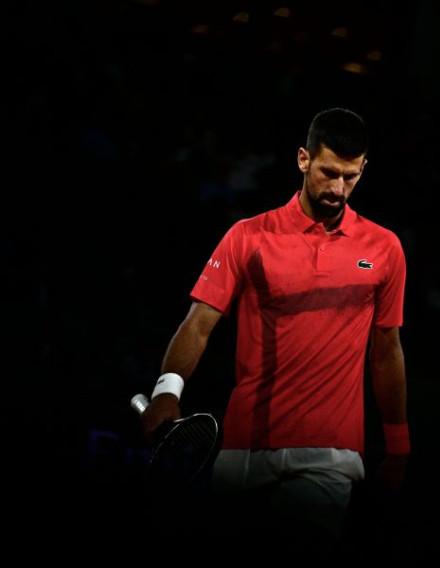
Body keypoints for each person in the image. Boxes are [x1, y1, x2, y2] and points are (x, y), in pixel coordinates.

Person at [138, 108, 410, 554]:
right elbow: (198, 324)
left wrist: (398, 447)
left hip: (329, 454)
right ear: (303, 159)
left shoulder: (385, 249)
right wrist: (167, 392)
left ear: (363, 169)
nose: (338, 189)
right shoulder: (247, 236)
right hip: (242, 447)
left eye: (350, 177)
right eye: (328, 173)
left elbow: (386, 351)